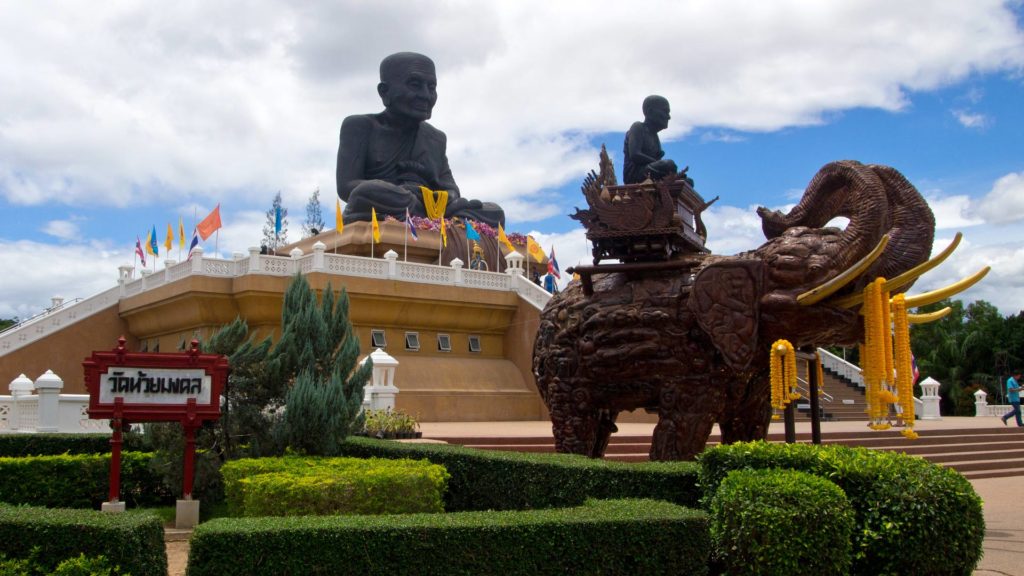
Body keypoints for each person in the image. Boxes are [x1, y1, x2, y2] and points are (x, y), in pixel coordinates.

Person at [336, 52, 505, 227]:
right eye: (415, 85)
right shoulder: (360, 126)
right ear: (384, 91)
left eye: (431, 87)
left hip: (431, 209)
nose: (426, 95)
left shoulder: (436, 138)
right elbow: (347, 186)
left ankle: (425, 217)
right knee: (368, 191)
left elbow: (451, 189)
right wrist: (401, 191)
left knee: (494, 212)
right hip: (388, 202)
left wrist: (436, 195)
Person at [622, 95, 679, 184]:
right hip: (636, 175)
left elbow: (658, 160)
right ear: (650, 111)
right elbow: (635, 155)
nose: (668, 117)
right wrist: (660, 163)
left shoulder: (655, 136)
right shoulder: (638, 127)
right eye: (665, 112)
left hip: (651, 171)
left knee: (688, 181)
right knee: (669, 164)